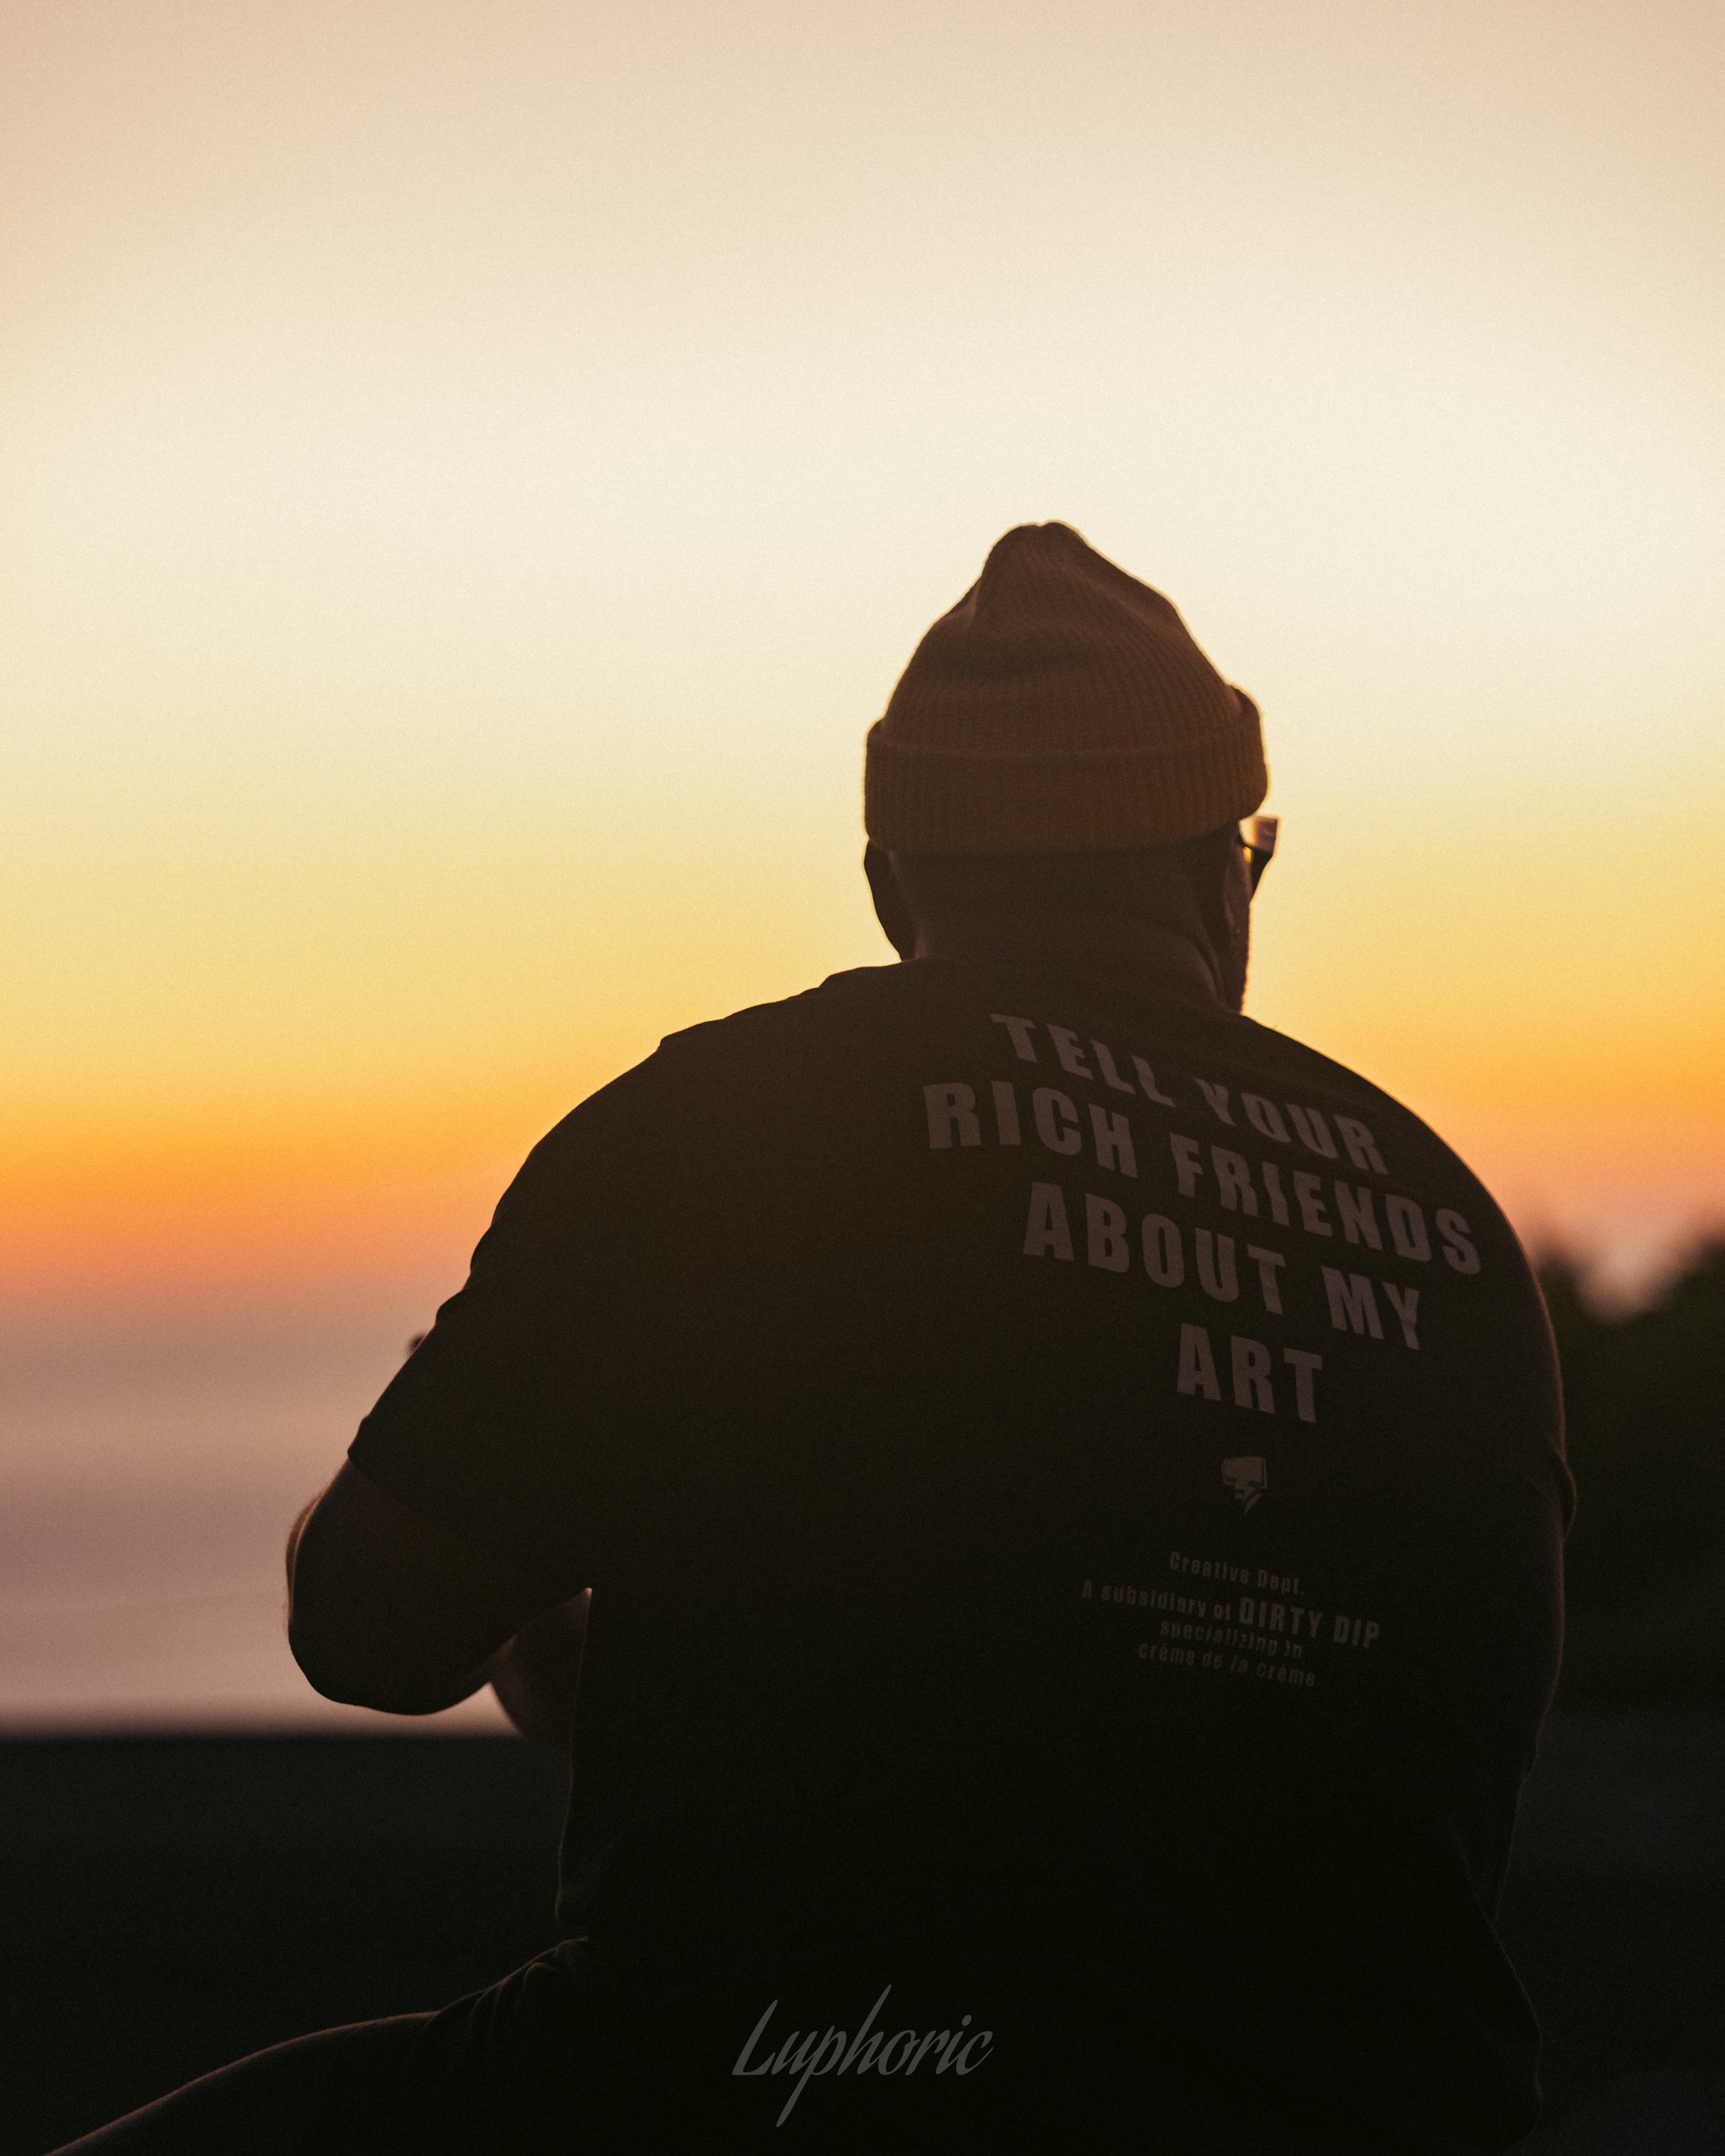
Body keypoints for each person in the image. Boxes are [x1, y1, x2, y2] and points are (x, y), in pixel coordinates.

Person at [56, 523, 1572, 2153]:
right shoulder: (1447, 1223)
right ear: (1228, 868)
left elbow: (364, 1631)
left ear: (888, 883)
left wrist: (535, 1585)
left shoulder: (740, 1123)